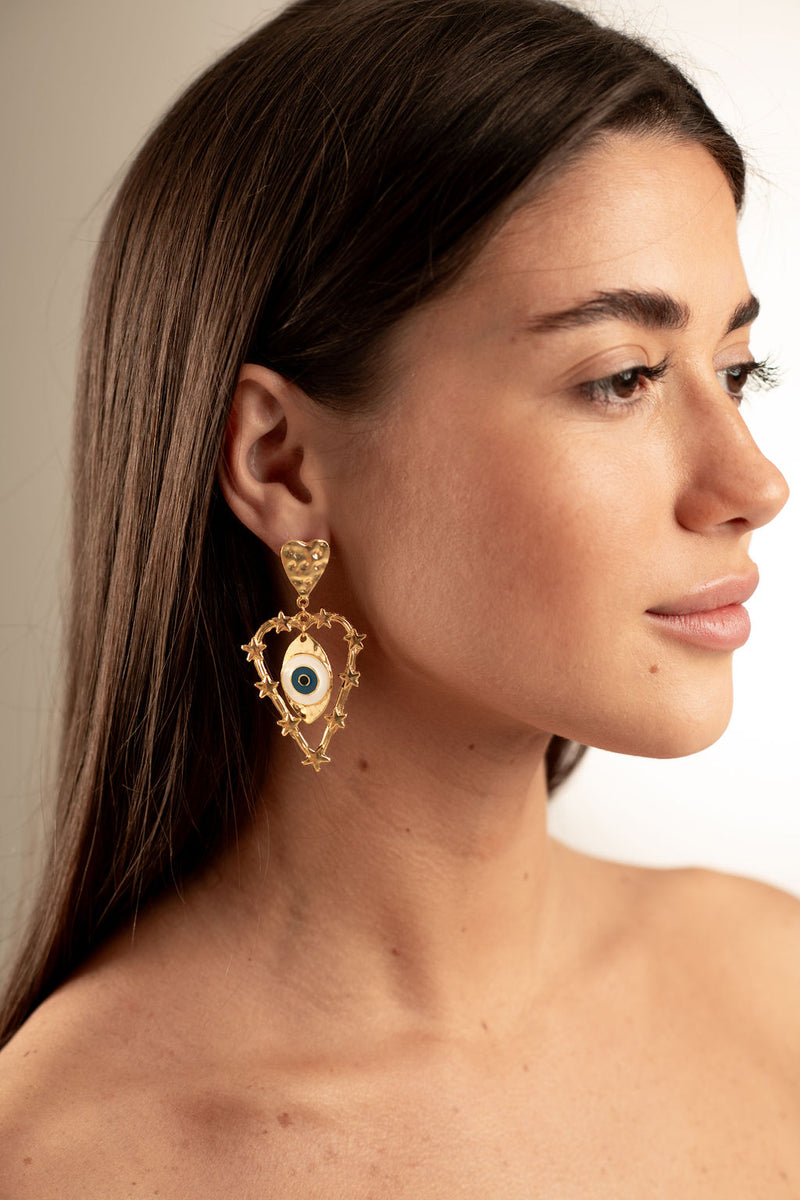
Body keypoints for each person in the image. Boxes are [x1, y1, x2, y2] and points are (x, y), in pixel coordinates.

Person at [1, 0, 798, 1191]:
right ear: (280, 461)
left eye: (735, 372)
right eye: (621, 378)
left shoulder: (775, 987)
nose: (754, 483)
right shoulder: (75, 1158)